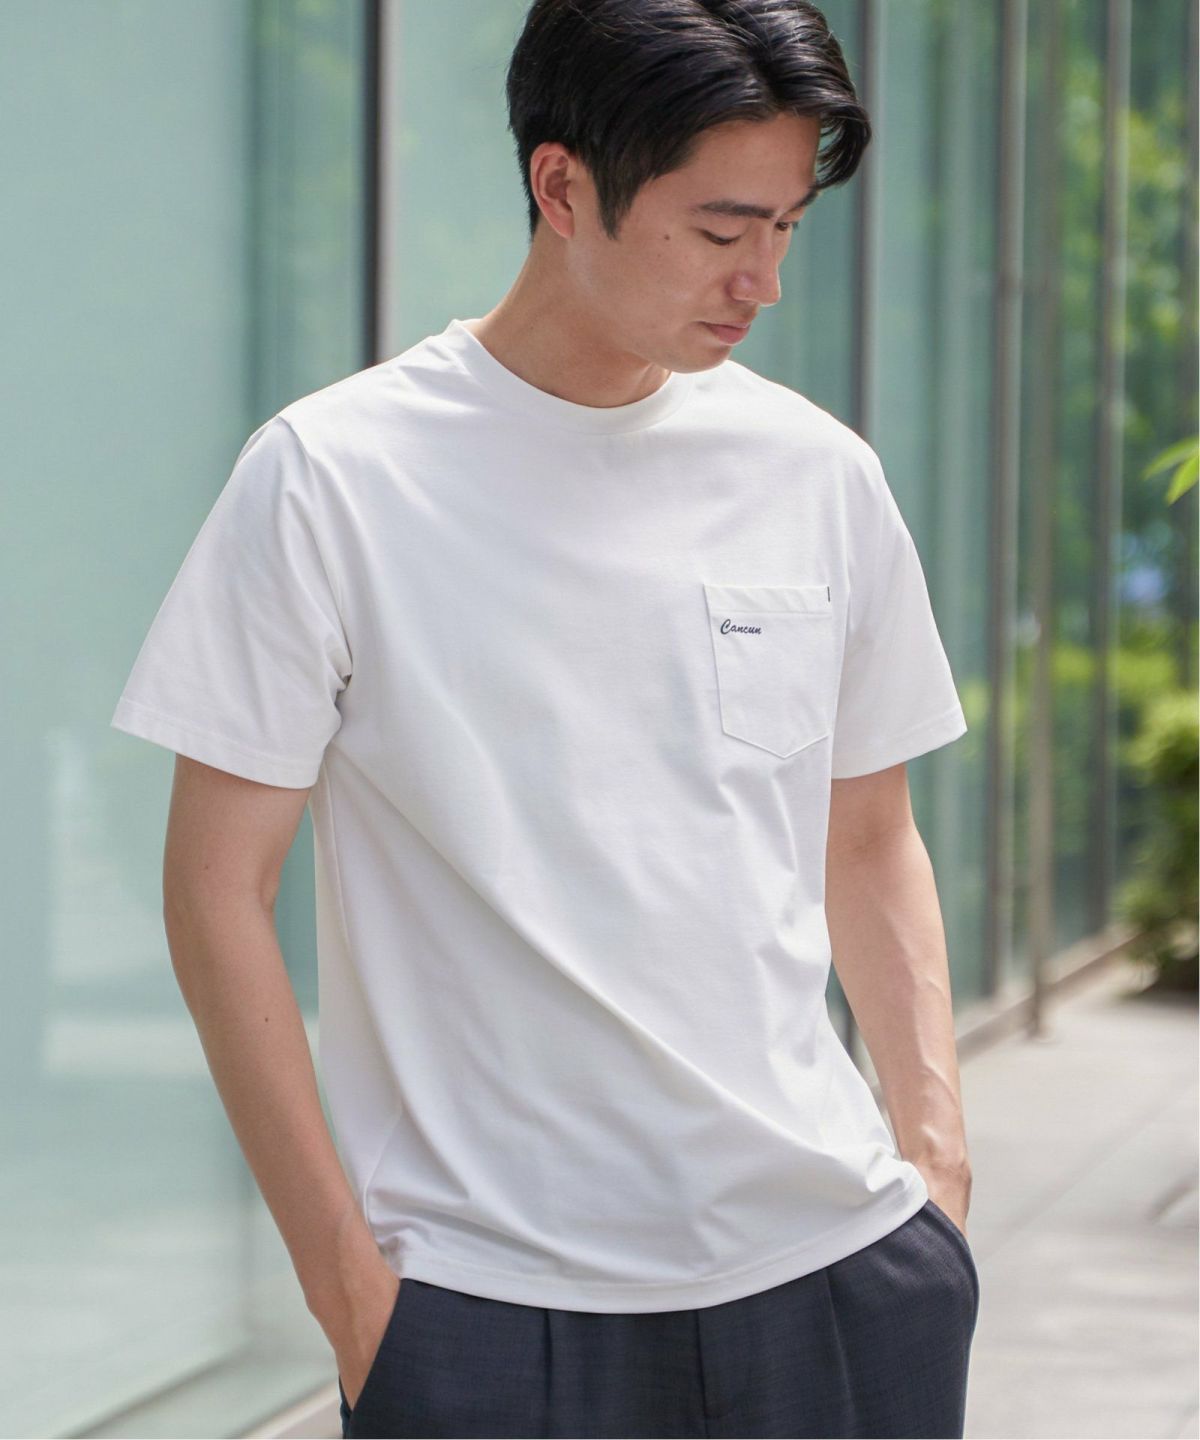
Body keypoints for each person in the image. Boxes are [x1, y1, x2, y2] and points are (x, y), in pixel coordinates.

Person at [111, 1, 979, 1435]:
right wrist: (349, 1292)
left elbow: (869, 836)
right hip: (485, 1314)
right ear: (562, 186)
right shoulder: (333, 479)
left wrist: (935, 1165)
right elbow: (215, 892)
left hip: (834, 1272)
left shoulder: (817, 474)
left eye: (786, 228)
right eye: (719, 230)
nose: (762, 280)